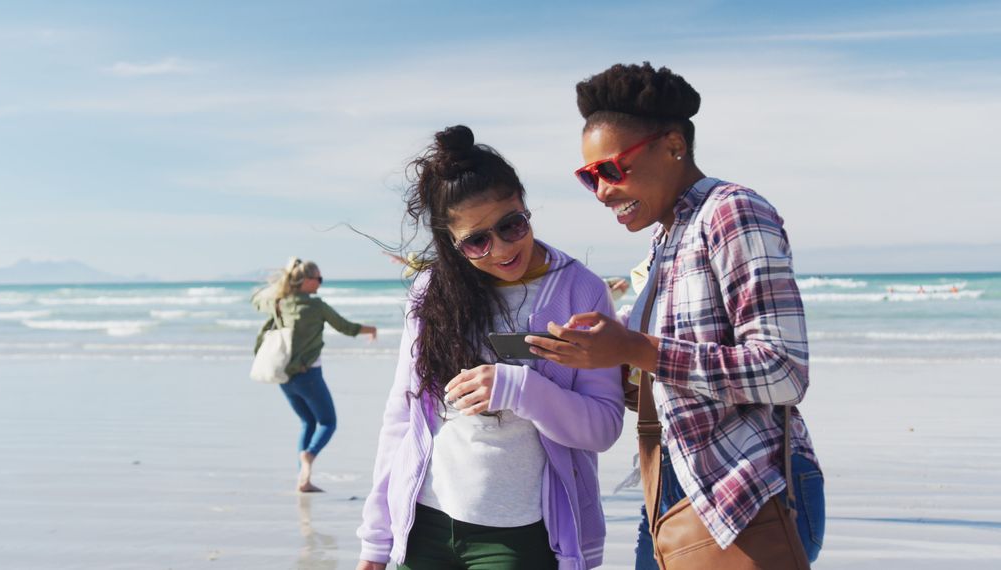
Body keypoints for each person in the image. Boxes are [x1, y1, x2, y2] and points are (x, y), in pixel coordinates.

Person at [525, 63, 826, 567]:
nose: (602, 191)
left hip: (750, 489)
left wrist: (634, 349)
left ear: (672, 146)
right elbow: (671, 380)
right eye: (588, 177)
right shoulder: (665, 241)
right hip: (674, 488)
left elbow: (783, 369)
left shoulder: (731, 212)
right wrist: (602, 363)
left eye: (611, 169)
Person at [356, 125, 624, 570]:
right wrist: (376, 541)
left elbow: (603, 427)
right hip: (423, 522)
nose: (501, 248)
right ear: (453, 244)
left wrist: (520, 388)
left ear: (524, 202)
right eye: (477, 241)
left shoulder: (581, 292)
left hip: (520, 535)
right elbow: (401, 418)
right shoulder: (432, 290)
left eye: (511, 225)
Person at [252, 258, 377, 493]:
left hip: (285, 377)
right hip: (309, 375)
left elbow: (256, 299)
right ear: (306, 280)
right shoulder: (316, 306)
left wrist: (282, 284)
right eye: (318, 278)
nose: (320, 283)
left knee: (307, 422)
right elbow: (344, 327)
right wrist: (371, 329)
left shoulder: (280, 302)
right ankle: (309, 456)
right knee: (328, 422)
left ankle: (303, 479)